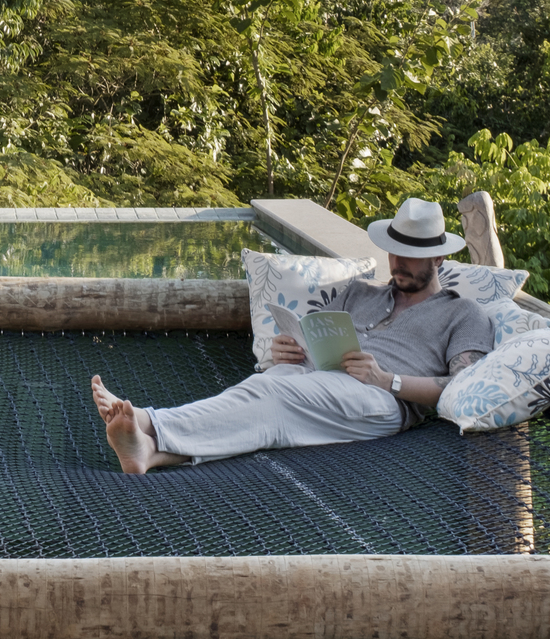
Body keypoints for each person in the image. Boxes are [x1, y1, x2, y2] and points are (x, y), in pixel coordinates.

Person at [90, 197, 493, 473]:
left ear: (439, 257)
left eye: (411, 255)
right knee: (268, 393)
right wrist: (292, 349)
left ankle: (149, 421)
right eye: (393, 251)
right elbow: (317, 336)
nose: (397, 262)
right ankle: (152, 454)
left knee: (273, 396)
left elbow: (462, 387)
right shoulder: (360, 292)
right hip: (317, 379)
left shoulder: (463, 314)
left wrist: (389, 380)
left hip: (382, 400)